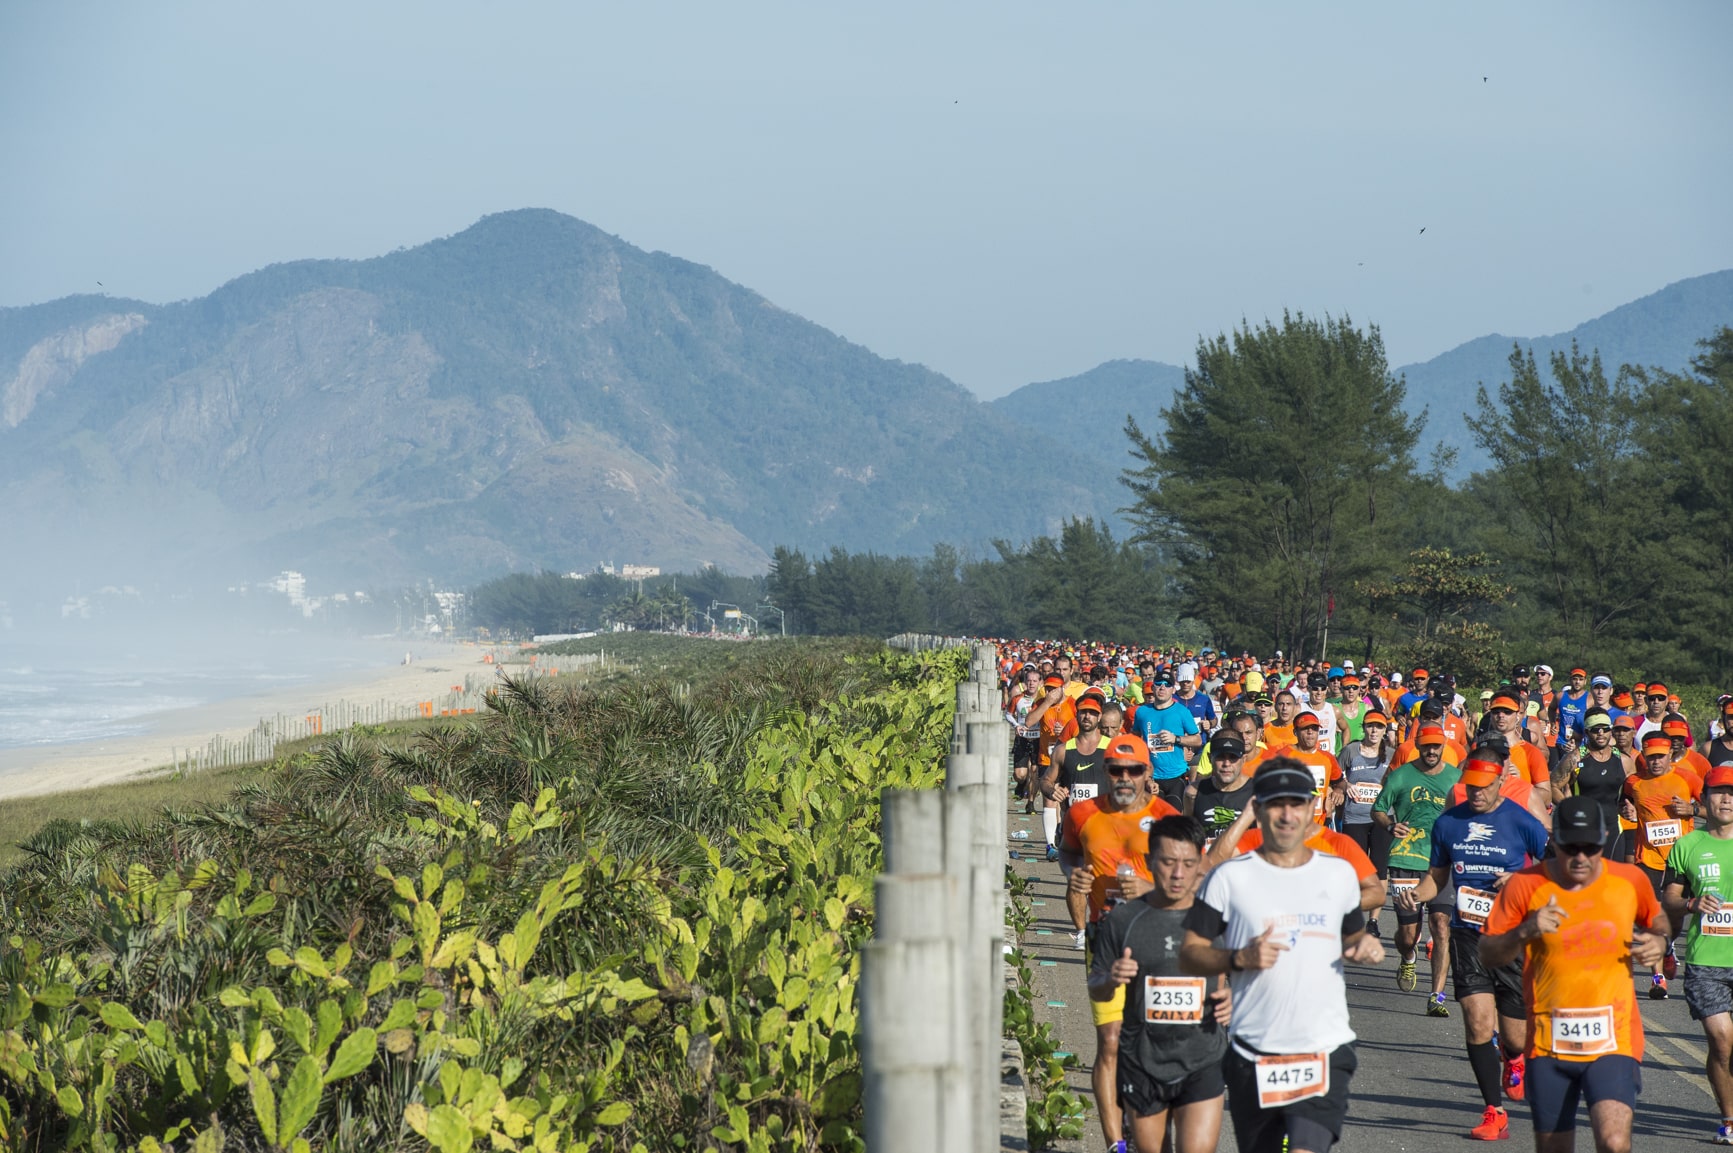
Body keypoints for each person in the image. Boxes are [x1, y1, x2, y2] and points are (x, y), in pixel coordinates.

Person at [1179, 759, 1385, 1153]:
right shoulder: (1229, 878)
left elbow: (1354, 934)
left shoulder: (1338, 873)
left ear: (1312, 808)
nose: (1287, 815)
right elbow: (1190, 954)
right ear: (1258, 808)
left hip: (1323, 1049)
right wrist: (1239, 958)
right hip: (1251, 1052)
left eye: (1297, 803)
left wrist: (1365, 946)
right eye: (1276, 804)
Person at [1481, 797, 1670, 1153]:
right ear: (1555, 843)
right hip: (1548, 1042)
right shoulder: (1525, 885)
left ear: (1603, 841)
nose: (1581, 857)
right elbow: (1488, 953)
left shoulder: (1629, 880)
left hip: (1614, 1040)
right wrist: (1526, 931)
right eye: (1571, 848)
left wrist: (1659, 941)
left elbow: (1657, 920)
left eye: (1590, 848)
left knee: (1614, 1143)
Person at [1401, 755, 1551, 1139]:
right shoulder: (1448, 823)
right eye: (1470, 786)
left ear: (1500, 782)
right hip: (1467, 935)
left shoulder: (1521, 821)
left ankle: (1514, 1057)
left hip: (1512, 937)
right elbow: (1436, 878)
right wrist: (1415, 897)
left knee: (1515, 1036)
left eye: (1483, 786)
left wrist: (1519, 879)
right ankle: (1493, 1112)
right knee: (1478, 1022)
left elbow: (1555, 870)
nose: (1476, 793)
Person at [1061, 734, 1181, 1149]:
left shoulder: (1168, 816)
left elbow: (1190, 883)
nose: (1124, 778)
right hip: (1106, 937)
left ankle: (1153, 1130)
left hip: (1158, 939)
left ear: (1149, 774)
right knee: (1110, 1041)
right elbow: (1069, 852)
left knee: (1154, 1045)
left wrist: (1151, 887)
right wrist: (1075, 876)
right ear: (1106, 772)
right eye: (1116, 770)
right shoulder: (1081, 813)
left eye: (1134, 770)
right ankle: (1116, 1144)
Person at [1091, 815, 1232, 1153]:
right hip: (1143, 1061)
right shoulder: (1123, 919)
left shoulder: (1218, 918)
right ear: (1151, 861)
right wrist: (1111, 978)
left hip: (1203, 1058)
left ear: (1201, 863)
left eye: (1188, 863)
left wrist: (1233, 997)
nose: (1178, 874)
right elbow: (1096, 985)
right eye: (1168, 862)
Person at [1662, 765, 1733, 1145]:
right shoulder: (1687, 845)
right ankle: (1728, 1118)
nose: (1726, 799)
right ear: (1704, 799)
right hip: (1706, 960)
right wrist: (1691, 903)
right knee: (1721, 1041)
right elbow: (1669, 899)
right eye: (1720, 792)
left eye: (1732, 793)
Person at [1373, 728, 1462, 1016]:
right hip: (1405, 858)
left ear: (1443, 745)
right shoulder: (1401, 776)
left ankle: (1437, 995)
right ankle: (1408, 956)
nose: (1431, 751)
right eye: (1426, 747)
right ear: (1418, 747)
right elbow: (1378, 808)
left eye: (1436, 746)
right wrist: (1389, 825)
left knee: (1440, 923)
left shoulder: (1455, 778)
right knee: (1408, 934)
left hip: (1441, 861)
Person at [1624, 732, 1698, 998]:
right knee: (1652, 919)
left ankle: (1667, 947)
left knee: (1675, 918)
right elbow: (1624, 804)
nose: (1655, 762)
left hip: (1681, 859)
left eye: (1660, 756)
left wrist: (1693, 811)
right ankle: (1657, 980)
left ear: (1669, 755)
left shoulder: (1686, 777)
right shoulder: (1633, 782)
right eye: (1650, 756)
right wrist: (1627, 810)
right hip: (1649, 859)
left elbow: (1714, 803)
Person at [1339, 710, 1393, 933]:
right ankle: (1352, 918)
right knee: (1354, 870)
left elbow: (1399, 782)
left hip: (1381, 818)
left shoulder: (1391, 754)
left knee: (1380, 869)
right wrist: (1345, 786)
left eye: (1379, 727)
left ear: (1384, 731)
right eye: (1370, 726)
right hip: (1354, 817)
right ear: (1364, 727)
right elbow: (1336, 775)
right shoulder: (1351, 750)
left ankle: (1373, 921)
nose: (1374, 731)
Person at [1131, 672, 1203, 807]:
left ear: (1173, 690)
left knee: (1174, 819)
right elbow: (1134, 739)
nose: (1162, 688)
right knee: (1153, 820)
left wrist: (1175, 739)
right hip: (1152, 777)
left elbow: (1198, 740)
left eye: (1167, 684)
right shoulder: (1142, 712)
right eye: (1158, 684)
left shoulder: (1182, 711)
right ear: (1153, 688)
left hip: (1176, 776)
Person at [1568, 711, 1631, 859]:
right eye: (1596, 729)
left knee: (1614, 876)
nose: (1601, 733)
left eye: (1605, 728)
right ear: (1587, 732)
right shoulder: (1575, 758)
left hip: (1613, 827)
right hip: (1583, 827)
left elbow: (1634, 790)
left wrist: (1631, 806)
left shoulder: (1624, 760)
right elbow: (1554, 785)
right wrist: (1568, 806)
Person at [1188, 731, 1257, 846]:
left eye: (1233, 757)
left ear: (1244, 759)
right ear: (1210, 758)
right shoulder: (1193, 793)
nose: (1226, 764)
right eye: (1220, 757)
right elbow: (1189, 839)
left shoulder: (1258, 793)